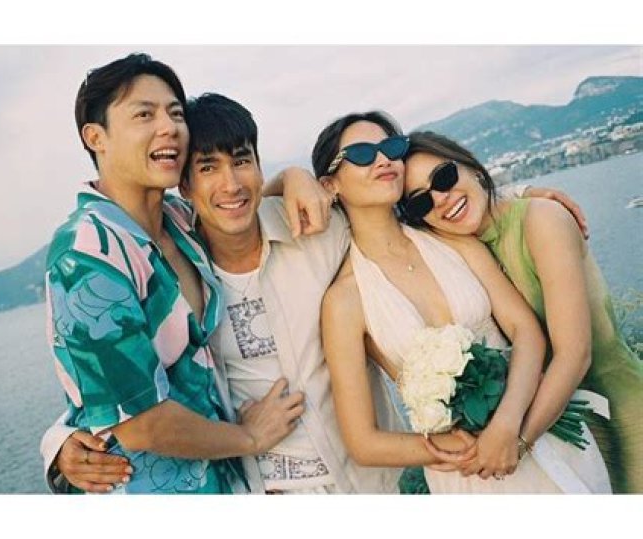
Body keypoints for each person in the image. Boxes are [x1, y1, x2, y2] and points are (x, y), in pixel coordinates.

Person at [43, 92, 406, 494]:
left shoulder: (317, 231)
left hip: (362, 481)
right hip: (256, 488)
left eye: (242, 161)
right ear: (184, 184)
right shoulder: (178, 268)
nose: (230, 184)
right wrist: (60, 439)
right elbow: (129, 377)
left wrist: (294, 175)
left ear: (259, 166)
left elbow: (396, 265)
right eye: (208, 167)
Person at [43, 54, 305, 494]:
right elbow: (141, 423)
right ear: (96, 137)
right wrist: (250, 438)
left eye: (176, 113)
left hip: (227, 480)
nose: (169, 127)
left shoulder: (178, 220)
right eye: (144, 114)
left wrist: (296, 178)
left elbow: (234, 196)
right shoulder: (85, 254)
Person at [314, 111, 611, 493]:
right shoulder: (343, 302)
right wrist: (464, 449)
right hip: (469, 476)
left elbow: (526, 331)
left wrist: (509, 426)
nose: (383, 159)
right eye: (362, 154)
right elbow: (363, 442)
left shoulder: (451, 239)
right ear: (330, 184)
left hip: (542, 428)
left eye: (390, 147)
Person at [400, 131, 643, 493]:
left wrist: (515, 441)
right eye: (420, 202)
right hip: (564, 440)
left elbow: (575, 354)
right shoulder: (461, 255)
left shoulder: (541, 219)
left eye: (444, 177)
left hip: (623, 416)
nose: (440, 198)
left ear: (471, 166)